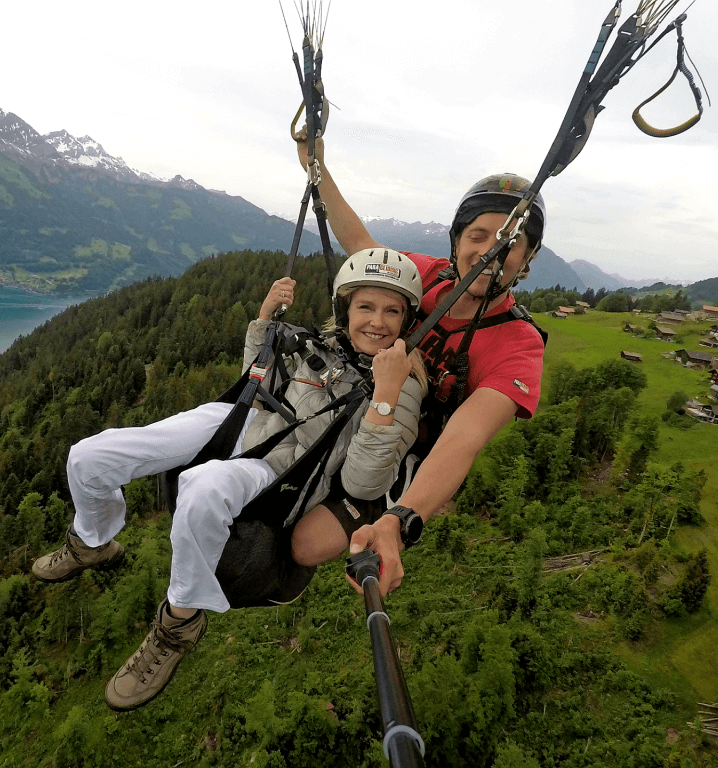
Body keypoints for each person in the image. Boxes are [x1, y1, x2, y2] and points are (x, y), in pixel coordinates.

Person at [31, 249, 427, 710]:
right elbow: (256, 379)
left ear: (407, 318)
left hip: (281, 464)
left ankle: (179, 622)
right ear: (344, 309)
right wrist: (263, 324)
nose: (377, 322)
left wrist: (385, 395)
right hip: (243, 420)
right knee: (90, 457)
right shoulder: (323, 344)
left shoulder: (403, 385)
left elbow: (362, 484)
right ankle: (92, 539)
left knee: (200, 489)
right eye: (366, 307)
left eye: (392, 311)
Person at [291, 132, 547, 598]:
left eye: (510, 243)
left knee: (306, 546)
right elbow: (360, 246)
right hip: (358, 408)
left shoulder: (518, 345)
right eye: (478, 235)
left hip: (404, 458)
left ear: (526, 258)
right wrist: (315, 165)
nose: (491, 250)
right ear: (457, 241)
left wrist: (400, 518)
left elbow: (464, 439)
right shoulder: (428, 276)